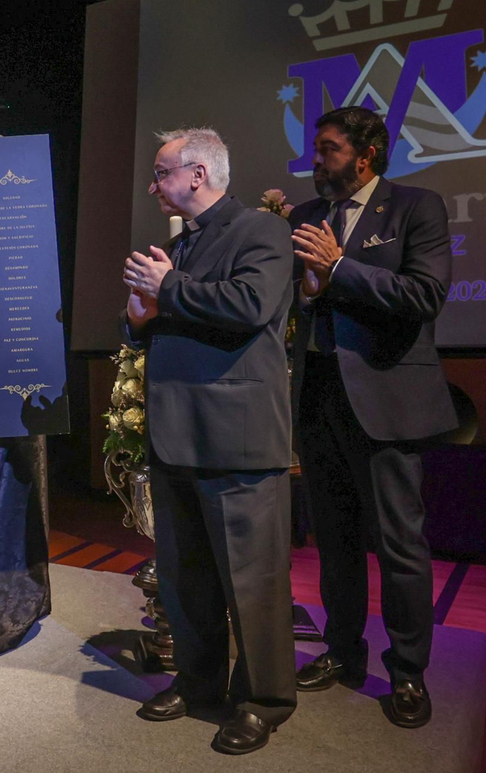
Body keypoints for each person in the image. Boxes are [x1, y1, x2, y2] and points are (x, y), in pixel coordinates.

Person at [123, 127, 297, 755]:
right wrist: (141, 319)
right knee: (187, 577)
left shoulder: (262, 231)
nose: (153, 185)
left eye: (161, 172)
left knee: (252, 582)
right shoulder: (187, 243)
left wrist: (166, 289)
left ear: (197, 175)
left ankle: (264, 700)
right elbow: (172, 317)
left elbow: (250, 305)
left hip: (236, 440)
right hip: (177, 434)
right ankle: (197, 685)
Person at [288, 105, 456, 728]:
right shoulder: (304, 217)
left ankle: (408, 672)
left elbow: (424, 296)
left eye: (329, 149)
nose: (316, 159)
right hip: (318, 397)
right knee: (334, 542)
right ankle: (342, 652)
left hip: (384, 402)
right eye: (317, 147)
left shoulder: (416, 207)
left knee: (399, 546)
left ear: (367, 155)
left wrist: (337, 270)